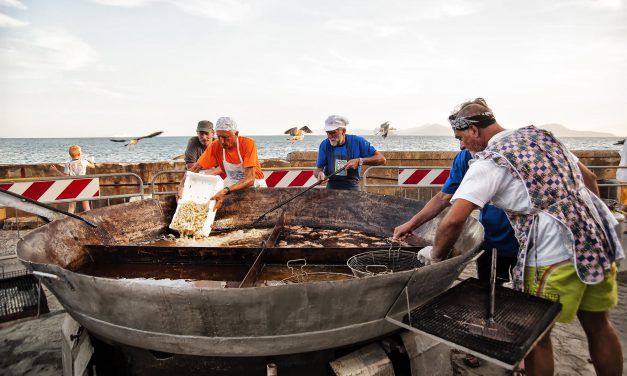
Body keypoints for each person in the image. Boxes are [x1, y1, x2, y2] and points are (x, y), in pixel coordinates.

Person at [421, 98, 624, 376]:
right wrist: (581, 224)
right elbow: (589, 178)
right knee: (599, 325)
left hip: (550, 256)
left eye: (460, 138)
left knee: (536, 338)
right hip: (596, 243)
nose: (461, 146)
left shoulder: (490, 162)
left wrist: (435, 258)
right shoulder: (542, 138)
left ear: (473, 130)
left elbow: (454, 219)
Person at [183, 117, 266, 210]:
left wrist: (225, 191)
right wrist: (181, 185)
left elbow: (250, 179)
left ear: (236, 134)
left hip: (254, 185)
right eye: (219, 137)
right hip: (231, 184)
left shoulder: (248, 144)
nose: (221, 141)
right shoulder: (215, 146)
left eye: (225, 137)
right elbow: (195, 168)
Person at [314, 115, 386, 190]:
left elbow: (382, 159)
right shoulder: (324, 145)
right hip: (331, 188)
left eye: (333, 133)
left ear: (343, 131)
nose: (330, 136)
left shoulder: (357, 141)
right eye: (328, 133)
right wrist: (319, 174)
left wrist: (360, 161)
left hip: (352, 188)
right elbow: (318, 169)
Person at [50, 145, 96, 213]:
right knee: (86, 205)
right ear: (80, 154)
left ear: (70, 155)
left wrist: (56, 170)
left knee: (71, 206)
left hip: (72, 185)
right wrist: (92, 162)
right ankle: (90, 219)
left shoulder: (68, 164)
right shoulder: (84, 162)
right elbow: (93, 166)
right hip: (83, 184)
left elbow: (65, 176)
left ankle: (69, 219)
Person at [617, 138, 627, 212]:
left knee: (623, 202)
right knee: (625, 203)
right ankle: (617, 218)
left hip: (621, 174)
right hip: (625, 176)